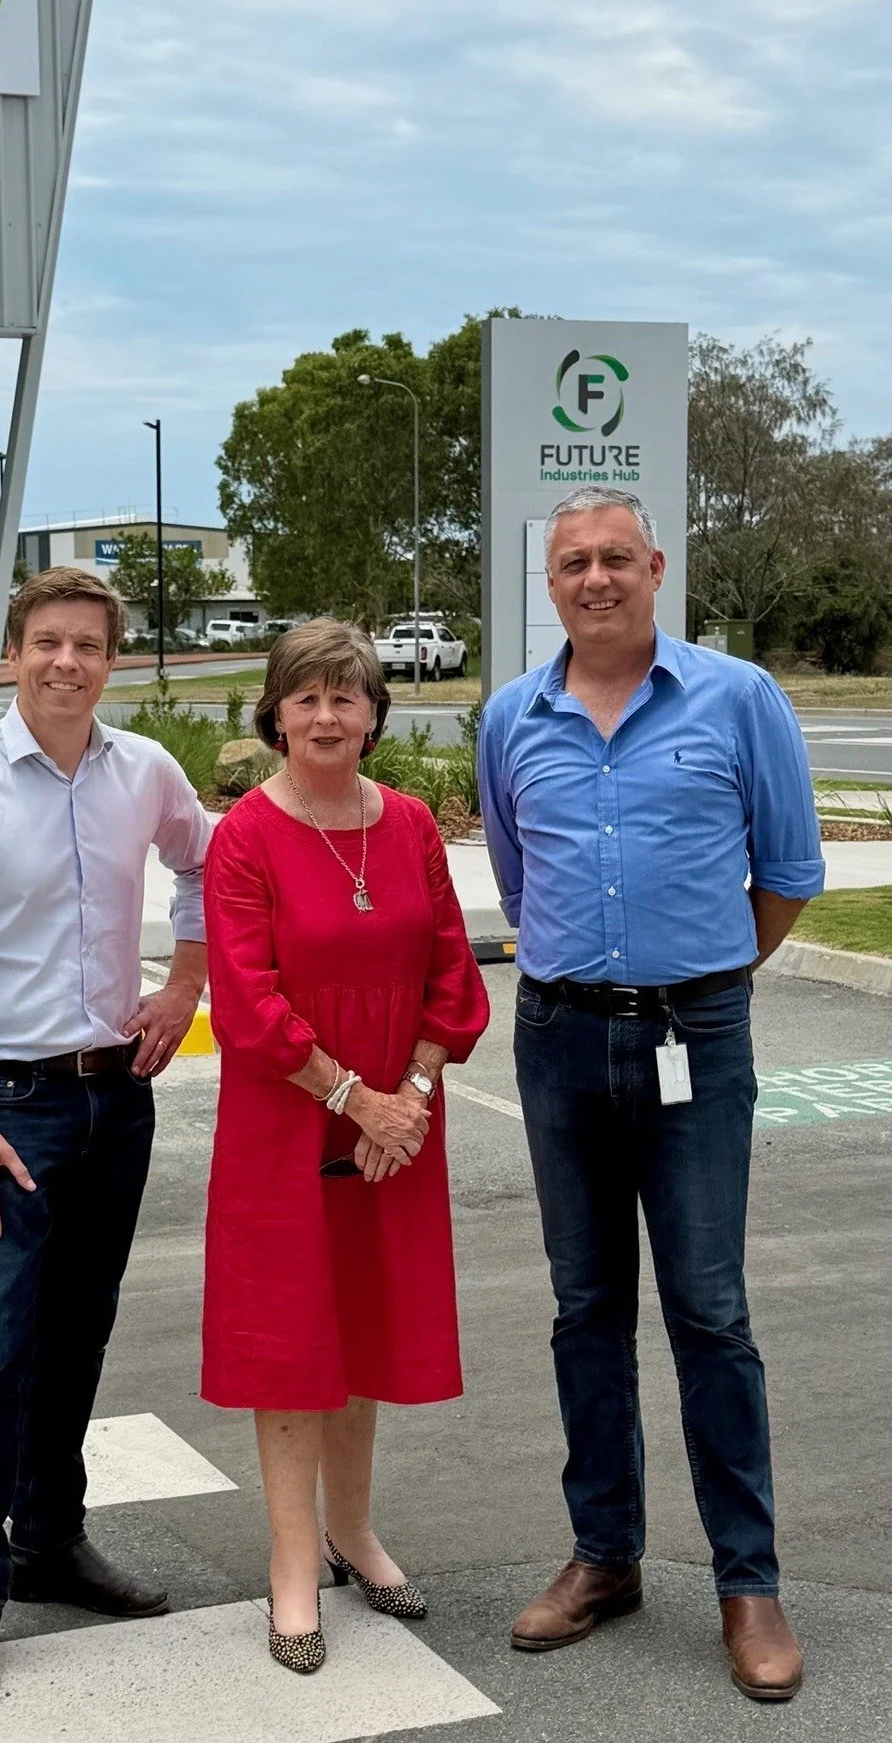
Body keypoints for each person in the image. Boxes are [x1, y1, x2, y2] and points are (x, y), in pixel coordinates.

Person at [477, 485, 824, 1702]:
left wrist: (702, 980)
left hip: (696, 1035)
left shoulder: (739, 697)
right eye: (574, 562)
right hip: (559, 1036)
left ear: (656, 568)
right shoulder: (512, 717)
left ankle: (748, 1582)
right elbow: (520, 884)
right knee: (585, 1309)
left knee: (710, 1313)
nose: (596, 578)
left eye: (616, 557)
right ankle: (604, 1556)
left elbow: (787, 872)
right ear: (552, 583)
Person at [0, 568, 212, 1705]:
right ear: (15, 652)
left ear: (111, 660)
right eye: (46, 642)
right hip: (5, 1111)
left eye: (88, 645)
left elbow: (206, 864)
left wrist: (186, 984)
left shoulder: (145, 773)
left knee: (77, 1338)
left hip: (116, 1099)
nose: (66, 662)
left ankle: (50, 1544)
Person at [201, 619, 490, 1673]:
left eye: (346, 696)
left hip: (395, 1128)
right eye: (306, 697)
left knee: (364, 1324)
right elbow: (246, 1000)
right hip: (287, 1123)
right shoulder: (244, 837)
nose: (326, 716)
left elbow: (453, 973)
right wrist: (353, 1098)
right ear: (275, 715)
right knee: (291, 1341)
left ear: (374, 713)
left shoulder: (408, 824)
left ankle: (353, 1530)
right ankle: (291, 1561)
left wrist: (406, 1097)